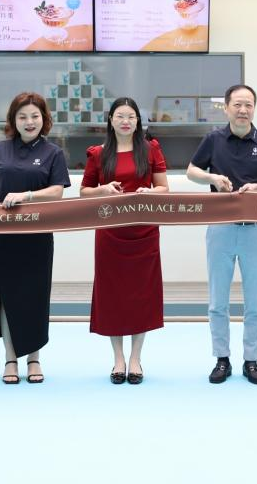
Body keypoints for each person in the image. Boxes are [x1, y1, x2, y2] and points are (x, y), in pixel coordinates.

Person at [187, 84, 257, 385]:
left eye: (249, 105)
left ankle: (251, 360)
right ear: (227, 107)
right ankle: (222, 358)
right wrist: (212, 177)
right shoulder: (213, 139)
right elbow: (192, 171)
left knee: (255, 301)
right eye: (238, 104)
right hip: (220, 227)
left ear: (254, 108)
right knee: (218, 300)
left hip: (255, 229)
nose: (243, 110)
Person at [0, 92, 70, 384]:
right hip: (5, 236)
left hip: (37, 237)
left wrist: (26, 196)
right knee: (6, 296)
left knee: (35, 296)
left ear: (44, 119)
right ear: (13, 120)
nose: (29, 122)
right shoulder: (0, 149)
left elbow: (57, 191)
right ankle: (10, 358)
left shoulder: (53, 152)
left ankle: (34, 358)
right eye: (23, 117)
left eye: (35, 116)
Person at [80, 98, 169, 385]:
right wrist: (103, 189)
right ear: (110, 120)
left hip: (143, 231)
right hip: (110, 231)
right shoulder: (98, 153)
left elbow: (164, 188)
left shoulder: (150, 149)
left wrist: (148, 193)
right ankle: (118, 358)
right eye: (120, 116)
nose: (125, 121)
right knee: (113, 294)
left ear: (138, 120)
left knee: (141, 294)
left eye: (131, 116)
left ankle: (135, 359)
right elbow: (84, 191)